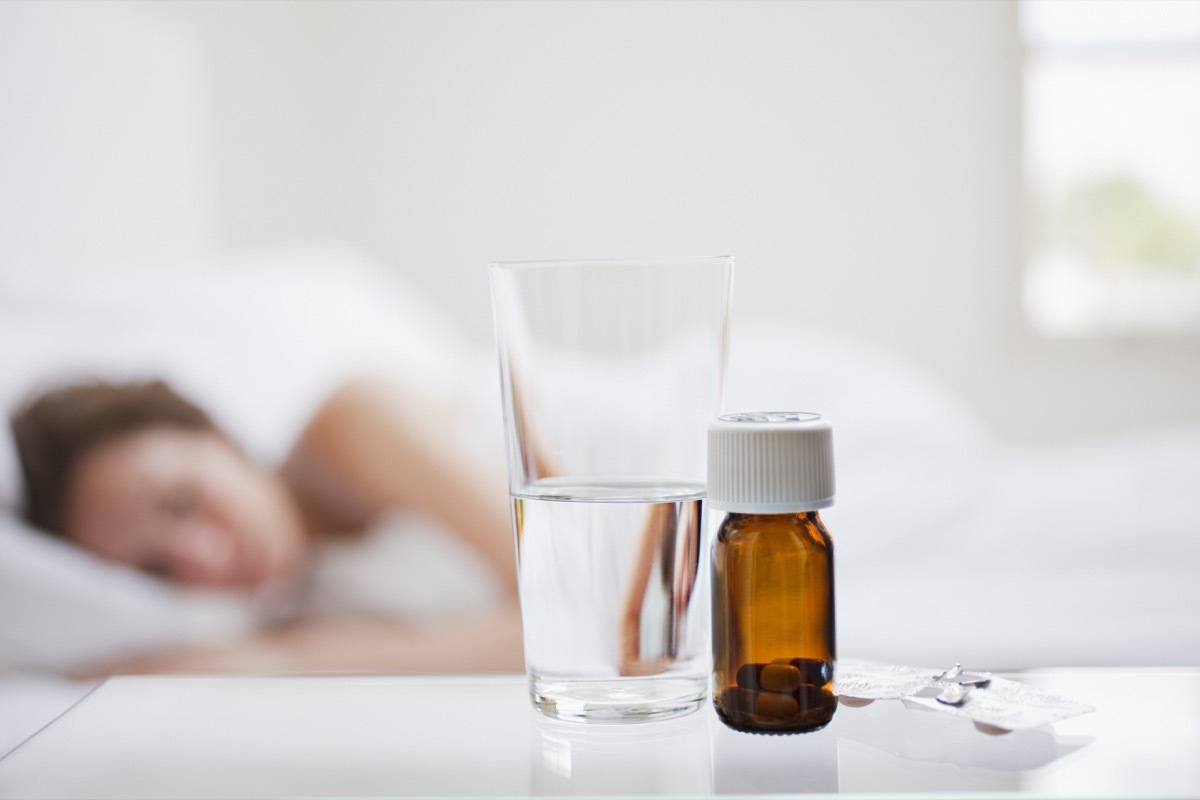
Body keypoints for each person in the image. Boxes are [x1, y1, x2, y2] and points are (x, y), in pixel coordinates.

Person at [9, 376, 524, 677]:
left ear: (215, 434)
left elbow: (577, 625)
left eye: (181, 501)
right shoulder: (303, 604)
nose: (204, 558)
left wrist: (285, 659)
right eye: (157, 567)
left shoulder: (352, 424)